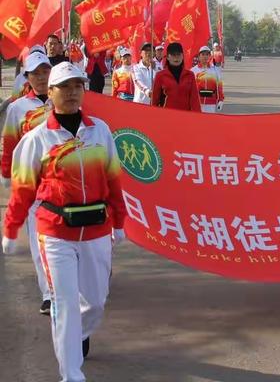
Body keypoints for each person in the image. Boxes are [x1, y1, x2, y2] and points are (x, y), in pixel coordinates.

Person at [1, 61, 126, 382]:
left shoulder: (100, 131)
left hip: (97, 229)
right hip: (55, 233)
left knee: (95, 302)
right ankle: (71, 374)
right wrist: (12, 228)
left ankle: (76, 333)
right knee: (64, 303)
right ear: (51, 93)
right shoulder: (37, 139)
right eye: (65, 87)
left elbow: (113, 180)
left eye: (77, 87)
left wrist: (120, 221)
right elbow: (24, 190)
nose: (72, 93)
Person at [1, 51, 53, 314]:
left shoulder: (64, 100)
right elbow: (9, 144)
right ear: (28, 77)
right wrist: (6, 175)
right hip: (32, 181)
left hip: (62, 181)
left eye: (45, 71)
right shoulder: (17, 108)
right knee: (39, 237)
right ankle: (48, 292)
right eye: (36, 73)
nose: (42, 78)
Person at [151, 42, 201, 111]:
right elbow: (154, 100)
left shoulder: (190, 75)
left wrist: (198, 118)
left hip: (185, 116)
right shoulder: (160, 75)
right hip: (166, 116)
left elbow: (195, 100)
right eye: (173, 55)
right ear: (168, 57)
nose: (176, 57)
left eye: (178, 54)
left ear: (182, 56)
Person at [191, 46, 224, 113]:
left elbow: (219, 86)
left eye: (207, 54)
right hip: (197, 102)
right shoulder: (193, 71)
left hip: (211, 103)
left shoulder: (215, 70)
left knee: (209, 122)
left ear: (210, 56)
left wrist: (221, 100)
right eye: (203, 54)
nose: (205, 56)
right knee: (198, 122)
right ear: (199, 56)